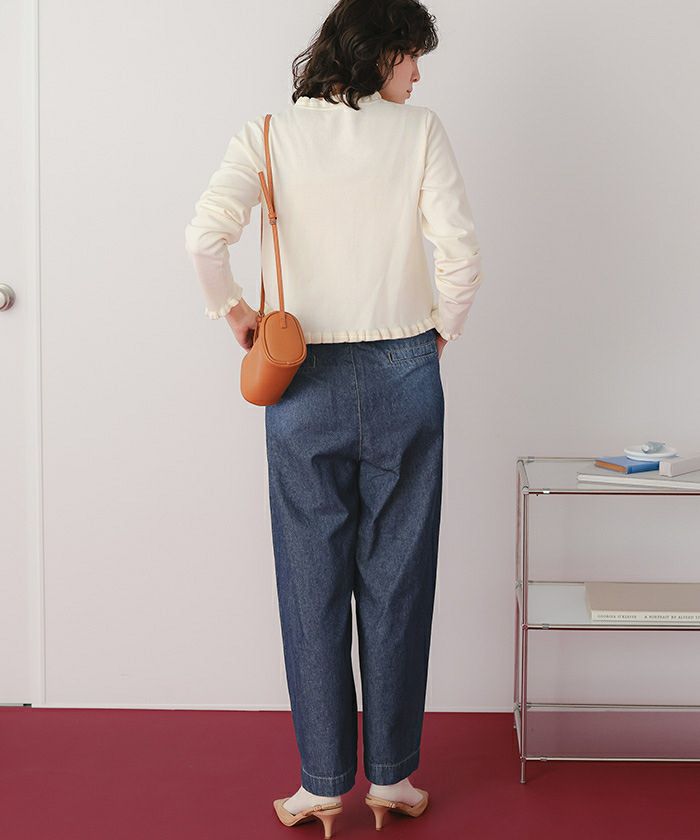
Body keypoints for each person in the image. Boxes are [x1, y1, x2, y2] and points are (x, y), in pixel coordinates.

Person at [184, 0, 483, 835]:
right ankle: (392, 779)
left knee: (310, 583)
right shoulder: (418, 132)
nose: (417, 73)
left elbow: (204, 238)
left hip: (302, 378)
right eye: (411, 55)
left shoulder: (269, 134)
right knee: (399, 578)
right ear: (379, 53)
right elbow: (461, 254)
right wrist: (440, 333)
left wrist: (237, 313)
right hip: (403, 369)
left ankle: (321, 786)